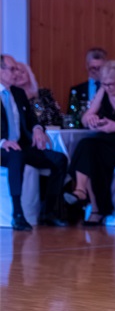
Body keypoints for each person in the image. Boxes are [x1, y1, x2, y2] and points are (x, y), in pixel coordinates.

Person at [65, 61, 115, 225]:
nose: (108, 88)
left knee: (89, 150)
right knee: (87, 148)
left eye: (111, 84)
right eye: (104, 84)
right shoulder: (103, 91)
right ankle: (82, 193)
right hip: (104, 143)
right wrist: (91, 118)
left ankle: (91, 203)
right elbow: (84, 118)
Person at [1, 54, 68, 229]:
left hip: (21, 146)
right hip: (4, 148)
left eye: (18, 69)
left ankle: (49, 212)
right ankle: (17, 214)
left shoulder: (19, 93)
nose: (16, 73)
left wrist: (38, 128)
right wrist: (2, 142)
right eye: (12, 69)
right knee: (15, 155)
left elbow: (32, 119)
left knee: (59, 160)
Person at [68, 47, 107, 114]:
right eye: (93, 68)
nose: (96, 71)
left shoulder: (111, 89)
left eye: (99, 68)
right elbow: (72, 114)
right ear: (87, 66)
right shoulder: (77, 90)